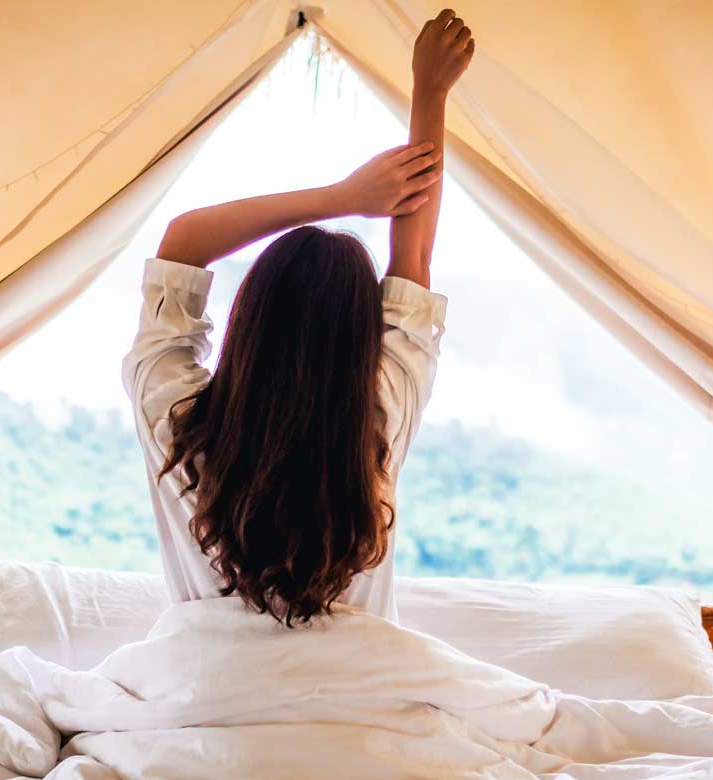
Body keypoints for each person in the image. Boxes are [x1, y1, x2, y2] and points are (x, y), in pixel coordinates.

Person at [123, 10, 474, 625]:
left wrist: (345, 197)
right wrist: (430, 93)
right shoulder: (380, 422)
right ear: (363, 340)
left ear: (250, 321)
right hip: (358, 712)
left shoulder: (176, 422)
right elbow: (412, 255)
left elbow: (182, 242)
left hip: (208, 704)